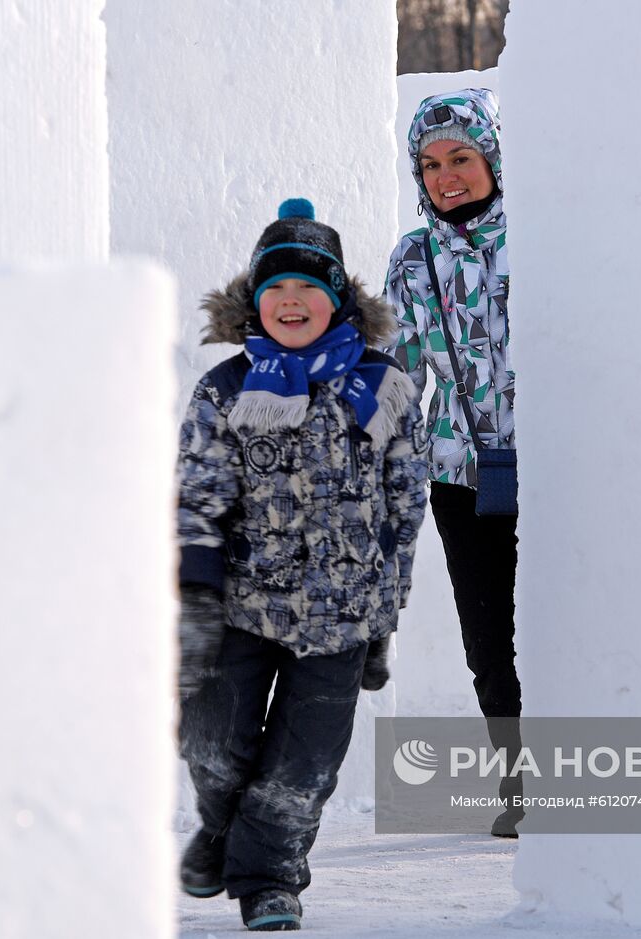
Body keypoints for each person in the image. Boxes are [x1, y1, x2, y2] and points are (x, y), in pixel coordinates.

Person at [175, 198, 427, 931]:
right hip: (241, 607)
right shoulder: (225, 390)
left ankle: (268, 879)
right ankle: (224, 828)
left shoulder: (381, 386)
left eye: (309, 287)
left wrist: (386, 612)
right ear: (254, 301)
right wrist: (193, 595)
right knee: (209, 742)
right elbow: (197, 496)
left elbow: (403, 504)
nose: (292, 300)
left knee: (302, 767)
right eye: (276, 288)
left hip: (343, 613)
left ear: (339, 298)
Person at [383, 88, 523, 837]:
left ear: (493, 156)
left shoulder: (541, 234)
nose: (446, 178)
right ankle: (520, 784)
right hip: (461, 473)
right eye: (430, 164)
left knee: (564, 622)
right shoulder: (412, 258)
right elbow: (398, 374)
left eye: (461, 158)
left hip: (558, 462)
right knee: (488, 633)